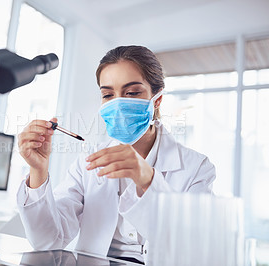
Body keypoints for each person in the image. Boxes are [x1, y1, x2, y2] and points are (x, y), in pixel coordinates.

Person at [16, 45, 216, 264]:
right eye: (108, 94)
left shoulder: (196, 167)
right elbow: (48, 242)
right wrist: (38, 170)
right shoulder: (89, 160)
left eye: (131, 92)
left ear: (157, 99)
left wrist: (148, 180)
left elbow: (195, 247)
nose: (118, 103)